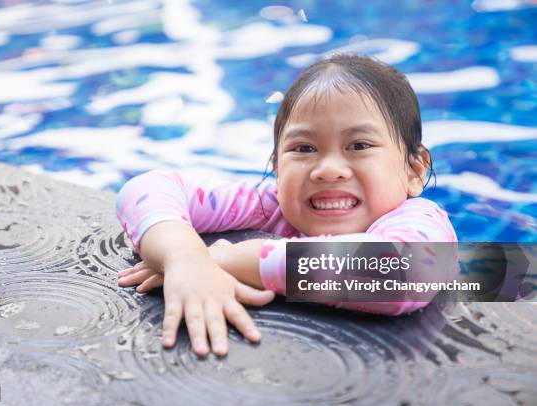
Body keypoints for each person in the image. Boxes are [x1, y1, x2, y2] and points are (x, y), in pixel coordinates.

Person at [115, 54, 458, 357]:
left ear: (414, 171)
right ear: (278, 170)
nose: (327, 170)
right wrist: (184, 259)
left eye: (359, 145)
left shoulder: (421, 220)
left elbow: (401, 272)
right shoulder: (271, 206)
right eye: (304, 149)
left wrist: (226, 260)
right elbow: (145, 187)